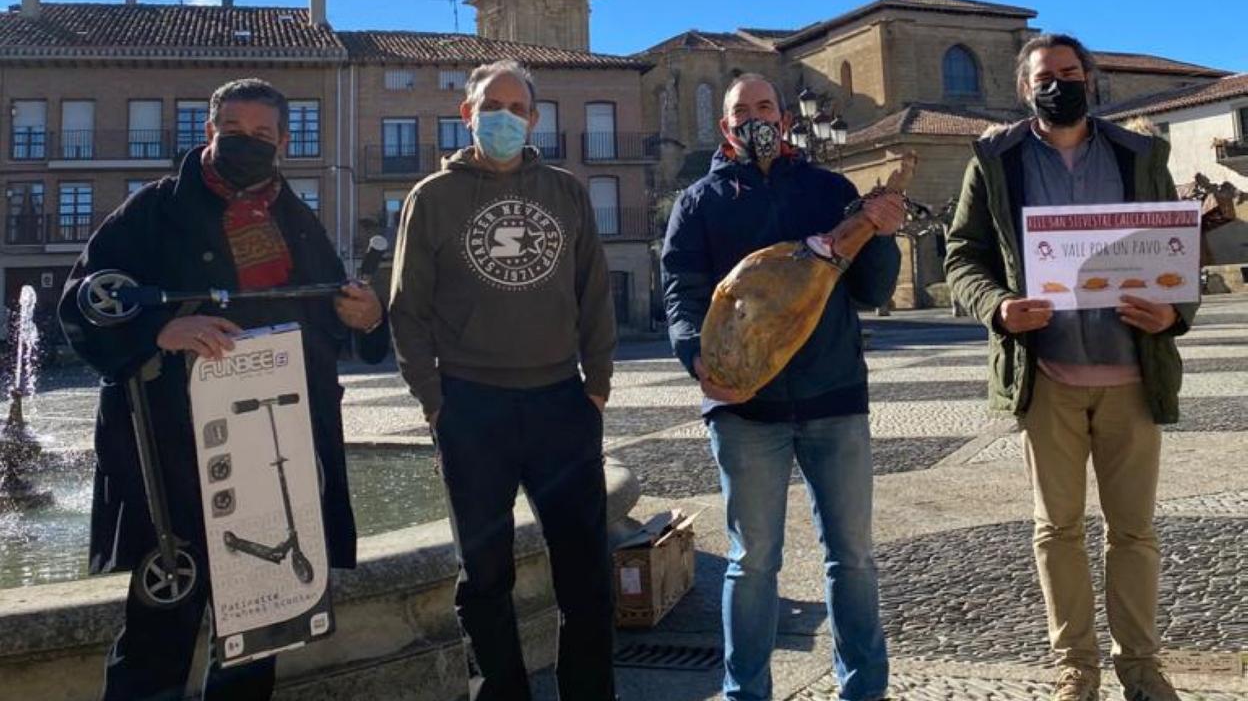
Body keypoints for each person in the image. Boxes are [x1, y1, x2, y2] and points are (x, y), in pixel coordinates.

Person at [58, 78, 389, 701]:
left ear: (284, 142)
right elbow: (83, 304)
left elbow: (330, 310)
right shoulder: (151, 210)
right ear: (209, 132)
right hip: (174, 455)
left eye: (263, 135)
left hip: (273, 456)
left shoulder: (295, 217)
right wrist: (163, 328)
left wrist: (367, 317)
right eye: (234, 131)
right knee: (157, 637)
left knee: (257, 639)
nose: (248, 143)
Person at [944, 34, 1197, 701]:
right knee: (1055, 530)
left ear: (1089, 78)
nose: (1058, 84)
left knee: (1134, 531)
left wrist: (1174, 315)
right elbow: (963, 255)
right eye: (1043, 76)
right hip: (1047, 379)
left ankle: (1141, 666)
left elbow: (1178, 246)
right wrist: (997, 307)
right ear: (1023, 89)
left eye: (1069, 72)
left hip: (1132, 377)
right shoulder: (995, 161)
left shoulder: (1138, 155)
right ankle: (1075, 668)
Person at [661, 73, 903, 701]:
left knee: (851, 557)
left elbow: (871, 290)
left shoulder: (829, 190)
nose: (755, 120)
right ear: (725, 127)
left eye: (765, 108)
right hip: (744, 412)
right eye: (742, 112)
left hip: (834, 399)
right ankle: (746, 693)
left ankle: (865, 688)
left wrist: (881, 230)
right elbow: (681, 292)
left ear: (786, 117)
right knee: (752, 562)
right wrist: (697, 358)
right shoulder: (699, 202)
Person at [389, 59, 617, 701]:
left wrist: (595, 387)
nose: (506, 117)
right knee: (484, 576)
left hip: (560, 404)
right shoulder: (431, 198)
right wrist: (435, 405)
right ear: (467, 113)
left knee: (586, 574)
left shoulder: (567, 192)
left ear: (535, 120)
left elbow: (595, 292)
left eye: (519, 108)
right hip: (471, 407)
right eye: (494, 105)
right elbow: (407, 310)